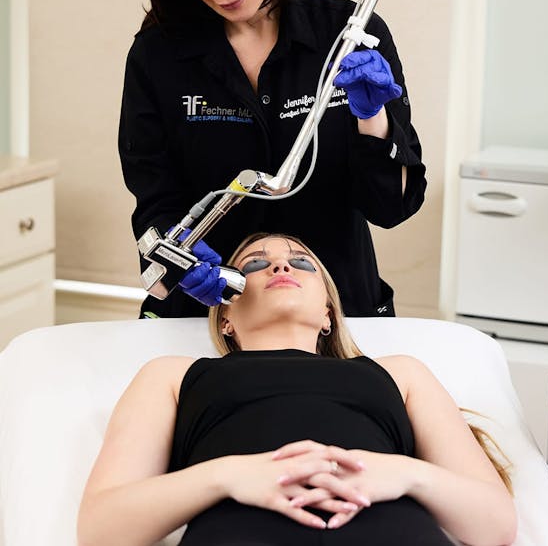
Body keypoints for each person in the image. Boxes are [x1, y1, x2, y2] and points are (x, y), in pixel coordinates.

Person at [119, 0, 426, 319]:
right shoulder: (157, 56)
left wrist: (373, 120)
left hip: (332, 318)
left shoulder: (348, 36)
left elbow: (392, 208)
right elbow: (155, 202)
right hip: (211, 317)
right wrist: (176, 259)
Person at [77, 234, 517, 546]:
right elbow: (102, 529)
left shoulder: (401, 373)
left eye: (302, 263)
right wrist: (228, 476)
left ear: (328, 313)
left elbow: (494, 524)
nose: (281, 267)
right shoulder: (173, 375)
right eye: (254, 264)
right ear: (225, 317)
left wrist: (404, 474)